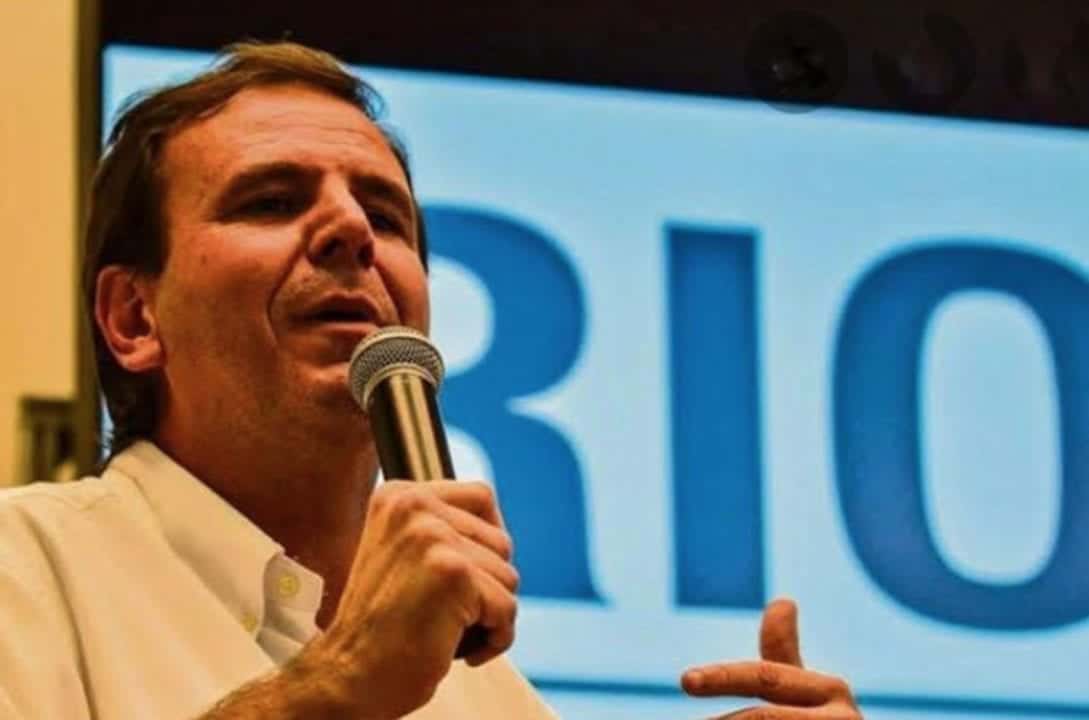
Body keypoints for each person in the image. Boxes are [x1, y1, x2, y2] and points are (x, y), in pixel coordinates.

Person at [0, 42, 861, 720]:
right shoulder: (26, 572)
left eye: (384, 216)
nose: (349, 229)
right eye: (270, 201)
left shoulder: (488, 694)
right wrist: (338, 688)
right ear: (134, 318)